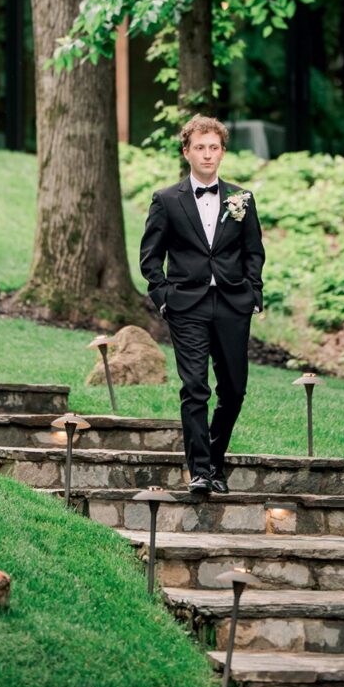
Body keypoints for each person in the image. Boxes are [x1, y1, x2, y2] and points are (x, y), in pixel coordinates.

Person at [139, 115, 265, 494]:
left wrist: (253, 293)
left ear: (222, 152)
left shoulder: (241, 199)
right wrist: (164, 298)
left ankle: (213, 458)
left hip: (231, 304)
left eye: (213, 147)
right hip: (187, 305)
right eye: (200, 147)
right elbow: (150, 258)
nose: (207, 155)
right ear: (187, 152)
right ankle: (200, 472)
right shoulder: (166, 200)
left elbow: (253, 251)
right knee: (195, 387)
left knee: (234, 390)